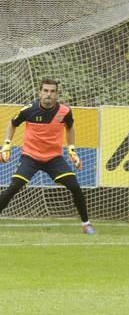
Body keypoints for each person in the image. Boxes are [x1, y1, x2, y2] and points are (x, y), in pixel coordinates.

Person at [0, 78, 95, 235]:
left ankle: (86, 224)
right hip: (30, 157)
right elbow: (12, 124)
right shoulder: (28, 110)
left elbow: (70, 128)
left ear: (57, 94)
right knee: (14, 186)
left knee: (75, 186)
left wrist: (72, 150)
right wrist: (7, 144)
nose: (48, 94)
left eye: (52, 91)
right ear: (39, 92)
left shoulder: (65, 111)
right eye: (45, 91)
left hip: (54, 159)